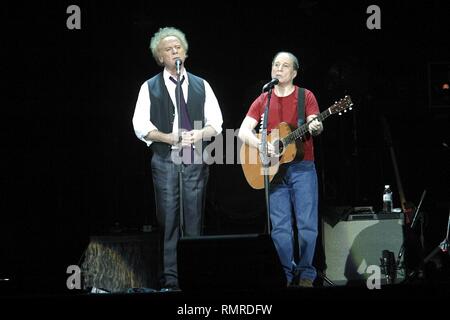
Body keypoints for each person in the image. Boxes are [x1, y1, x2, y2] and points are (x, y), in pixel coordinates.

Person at [132, 27, 223, 290]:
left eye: (178, 48)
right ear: (160, 58)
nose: (175, 52)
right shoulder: (149, 87)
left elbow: (216, 123)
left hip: (194, 157)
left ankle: (196, 275)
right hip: (165, 159)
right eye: (168, 50)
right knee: (169, 220)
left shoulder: (201, 84)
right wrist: (167, 137)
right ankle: (172, 280)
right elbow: (140, 125)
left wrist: (199, 134)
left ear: (185, 52)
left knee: (194, 219)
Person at [238, 51, 323, 287]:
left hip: (302, 168)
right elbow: (243, 131)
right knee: (280, 228)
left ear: (294, 73)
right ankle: (284, 275)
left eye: (284, 66)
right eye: (276, 64)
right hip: (274, 171)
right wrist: (262, 145)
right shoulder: (263, 99)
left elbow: (315, 123)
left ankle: (306, 274)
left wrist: (315, 126)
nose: (279, 69)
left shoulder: (306, 96)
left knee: (306, 224)